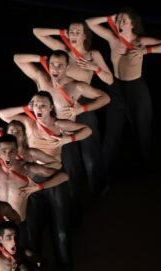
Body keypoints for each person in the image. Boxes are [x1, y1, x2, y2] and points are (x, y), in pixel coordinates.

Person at [0, 92, 92, 266]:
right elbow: (2, 114)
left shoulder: (58, 124)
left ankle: (65, 265)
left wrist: (68, 139)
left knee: (61, 228)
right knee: (34, 227)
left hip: (53, 177)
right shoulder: (29, 122)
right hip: (32, 179)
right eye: (35, 105)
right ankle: (35, 266)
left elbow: (87, 130)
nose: (38, 108)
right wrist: (25, 107)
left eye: (43, 105)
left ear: (51, 108)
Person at [13, 49, 110, 203]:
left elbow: (105, 98)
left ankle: (78, 206)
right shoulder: (42, 78)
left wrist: (82, 109)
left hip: (62, 137)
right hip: (42, 136)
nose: (55, 69)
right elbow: (17, 58)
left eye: (60, 65)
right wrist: (40, 57)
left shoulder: (76, 86)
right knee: (40, 173)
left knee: (71, 173)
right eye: (52, 64)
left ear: (67, 67)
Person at [86, 10, 161, 173]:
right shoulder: (112, 38)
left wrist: (146, 51)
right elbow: (89, 23)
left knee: (142, 131)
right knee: (112, 132)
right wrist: (108, 18)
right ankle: (103, 173)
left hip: (136, 90)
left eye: (123, 20)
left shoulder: (139, 41)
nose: (119, 23)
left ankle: (147, 169)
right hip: (115, 89)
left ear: (132, 24)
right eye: (118, 20)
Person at [33, 22, 114, 195]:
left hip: (83, 103)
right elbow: (37, 31)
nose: (74, 34)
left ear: (85, 35)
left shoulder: (92, 54)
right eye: (71, 32)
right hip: (61, 105)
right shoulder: (63, 51)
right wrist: (60, 31)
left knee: (90, 151)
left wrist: (95, 68)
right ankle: (74, 191)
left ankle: (98, 188)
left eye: (78, 32)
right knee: (67, 150)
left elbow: (110, 80)